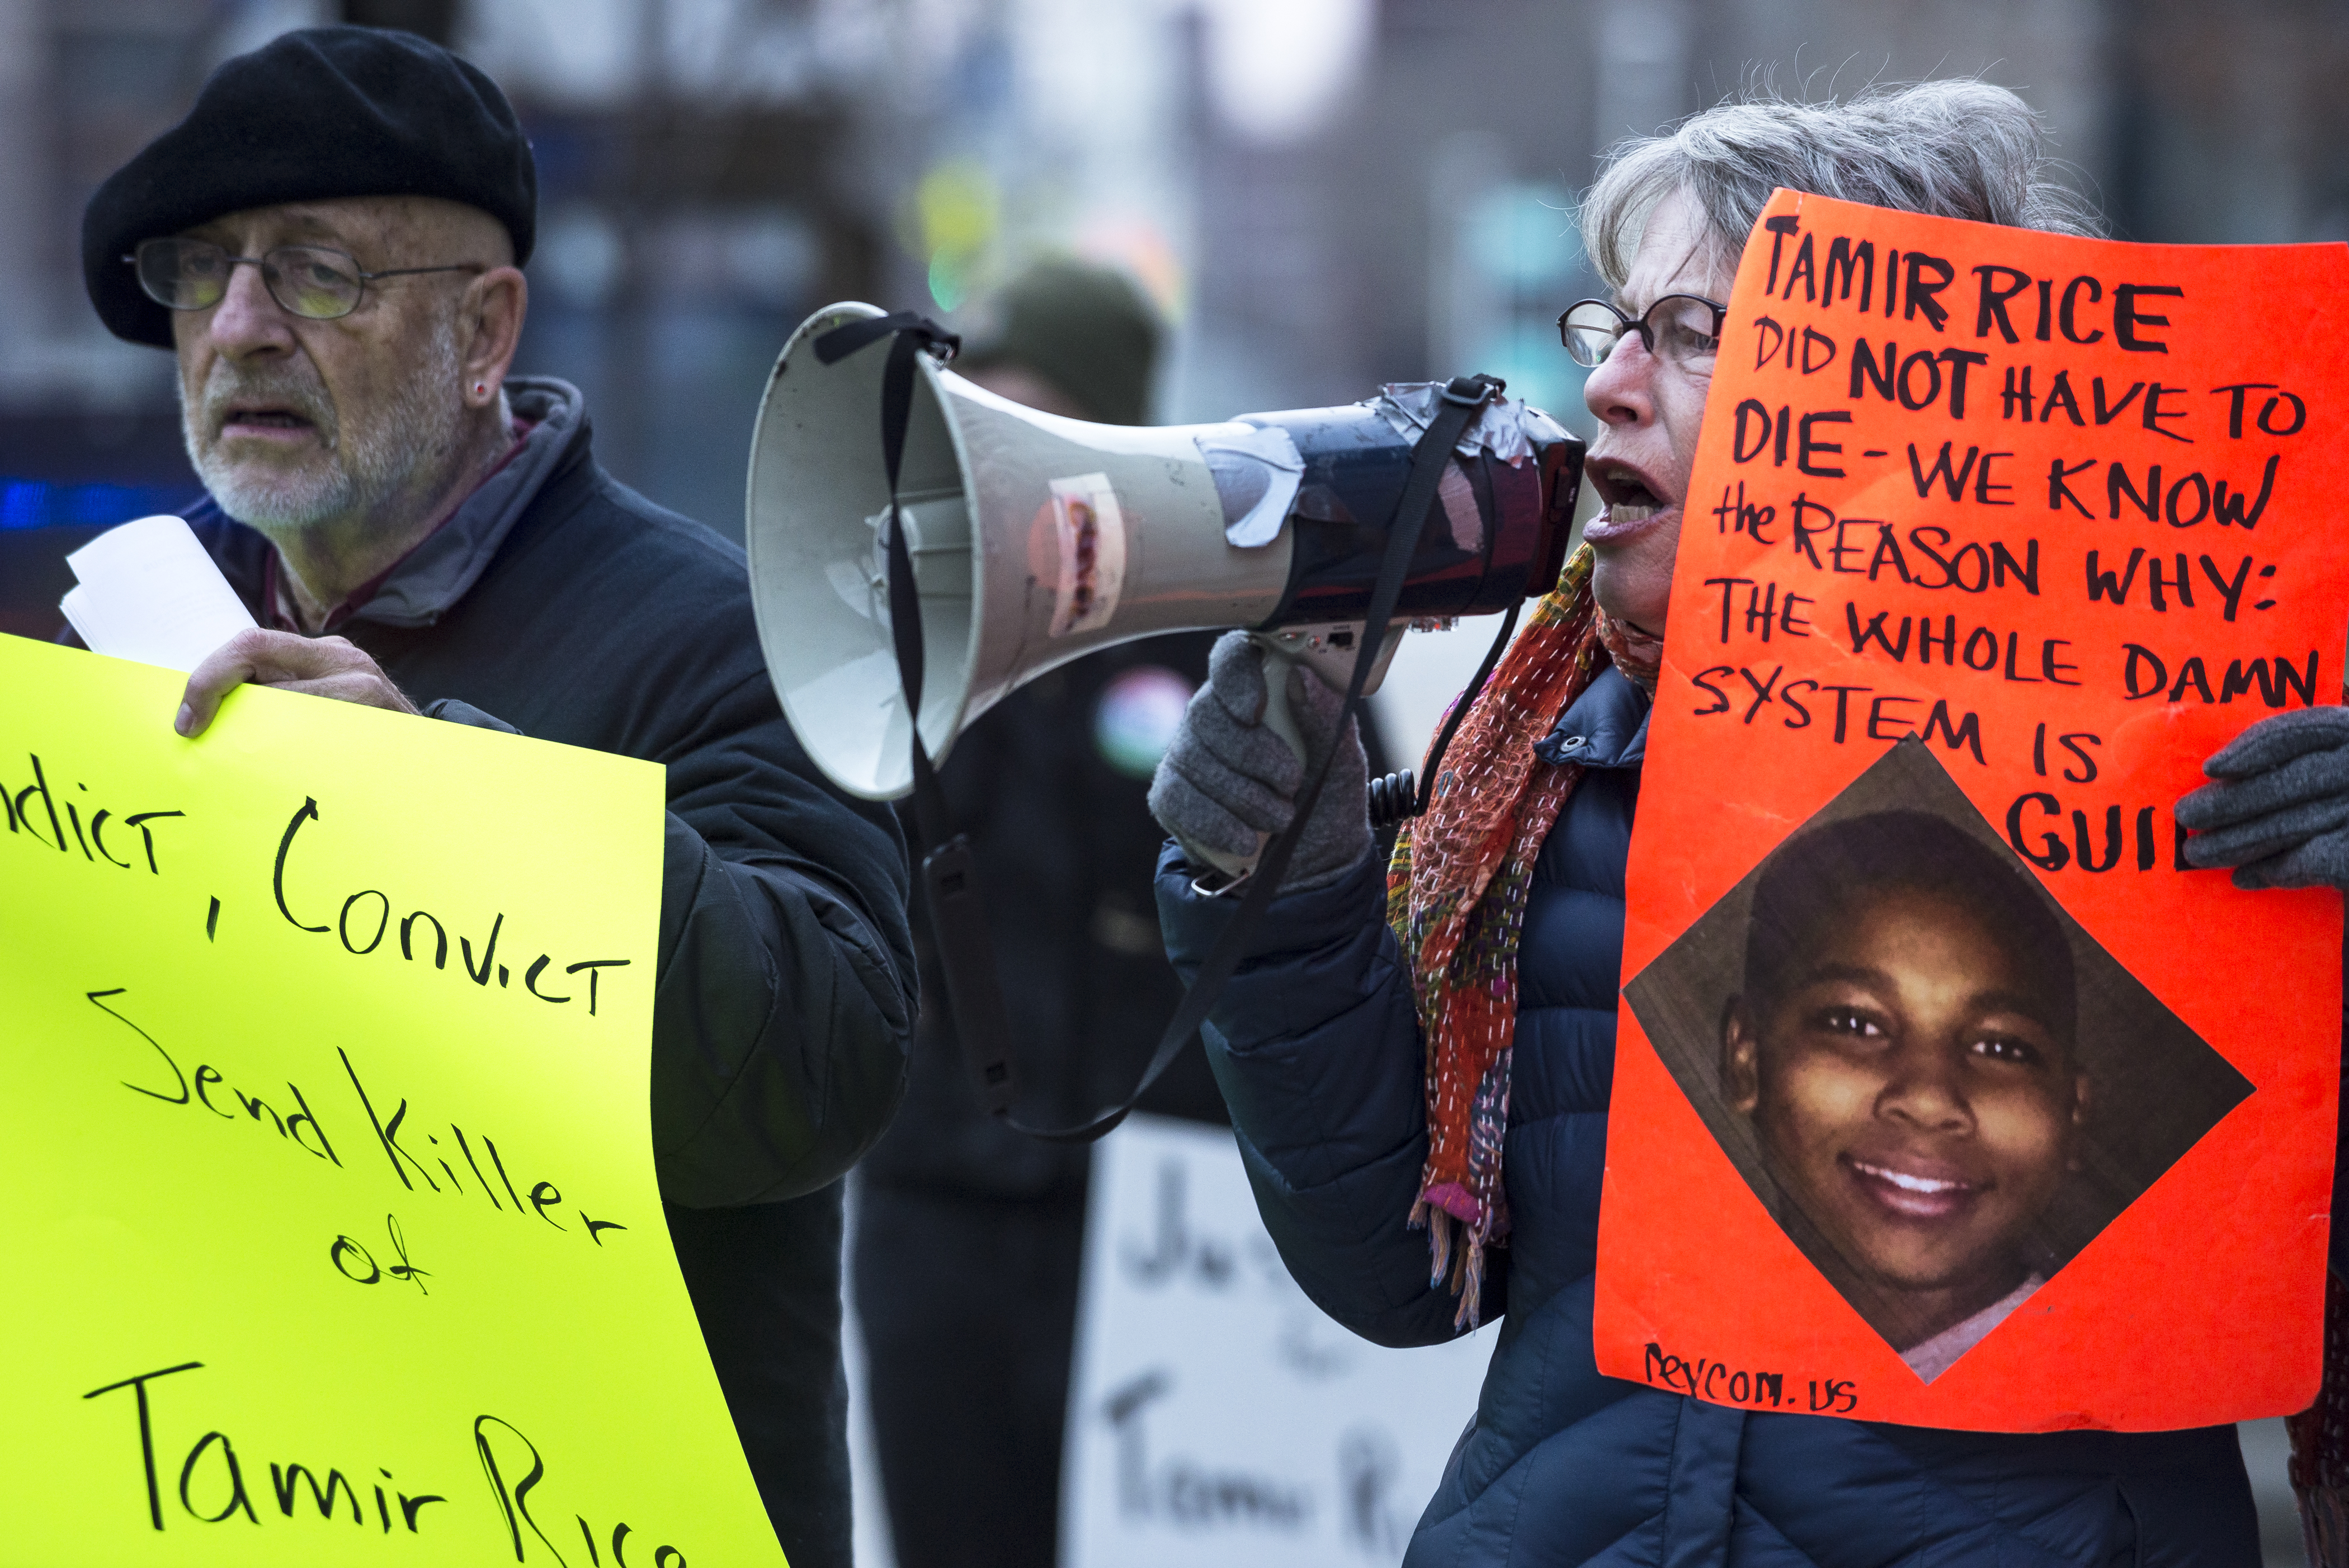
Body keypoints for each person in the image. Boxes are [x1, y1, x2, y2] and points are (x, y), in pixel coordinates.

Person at [1149, 82, 2261, 1564]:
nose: (1609, 385)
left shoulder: (2163, 784)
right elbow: (1399, 1276)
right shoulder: (1549, 765)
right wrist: (1290, 880)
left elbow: (2268, 1278)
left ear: (1901, 394)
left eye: (1693, 335)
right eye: (1617, 326)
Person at [74, 29, 912, 1567]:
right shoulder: (116, 639)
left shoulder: (730, 635)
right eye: (204, 270)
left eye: (319, 270)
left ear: (484, 331)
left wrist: (453, 813)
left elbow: (830, 1055)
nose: (243, 324)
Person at [851, 257, 1231, 1568]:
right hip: (934, 1202)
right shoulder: (894, 617)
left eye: (1040, 423)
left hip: (1156, 1220)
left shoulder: (1214, 619)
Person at [1723, 811, 2088, 1382]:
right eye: (1854, 1023)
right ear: (1746, 1056)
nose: (1927, 1099)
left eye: (2002, 1047)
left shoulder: (2132, 1370)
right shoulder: (1664, 1318)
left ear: (2073, 1109)